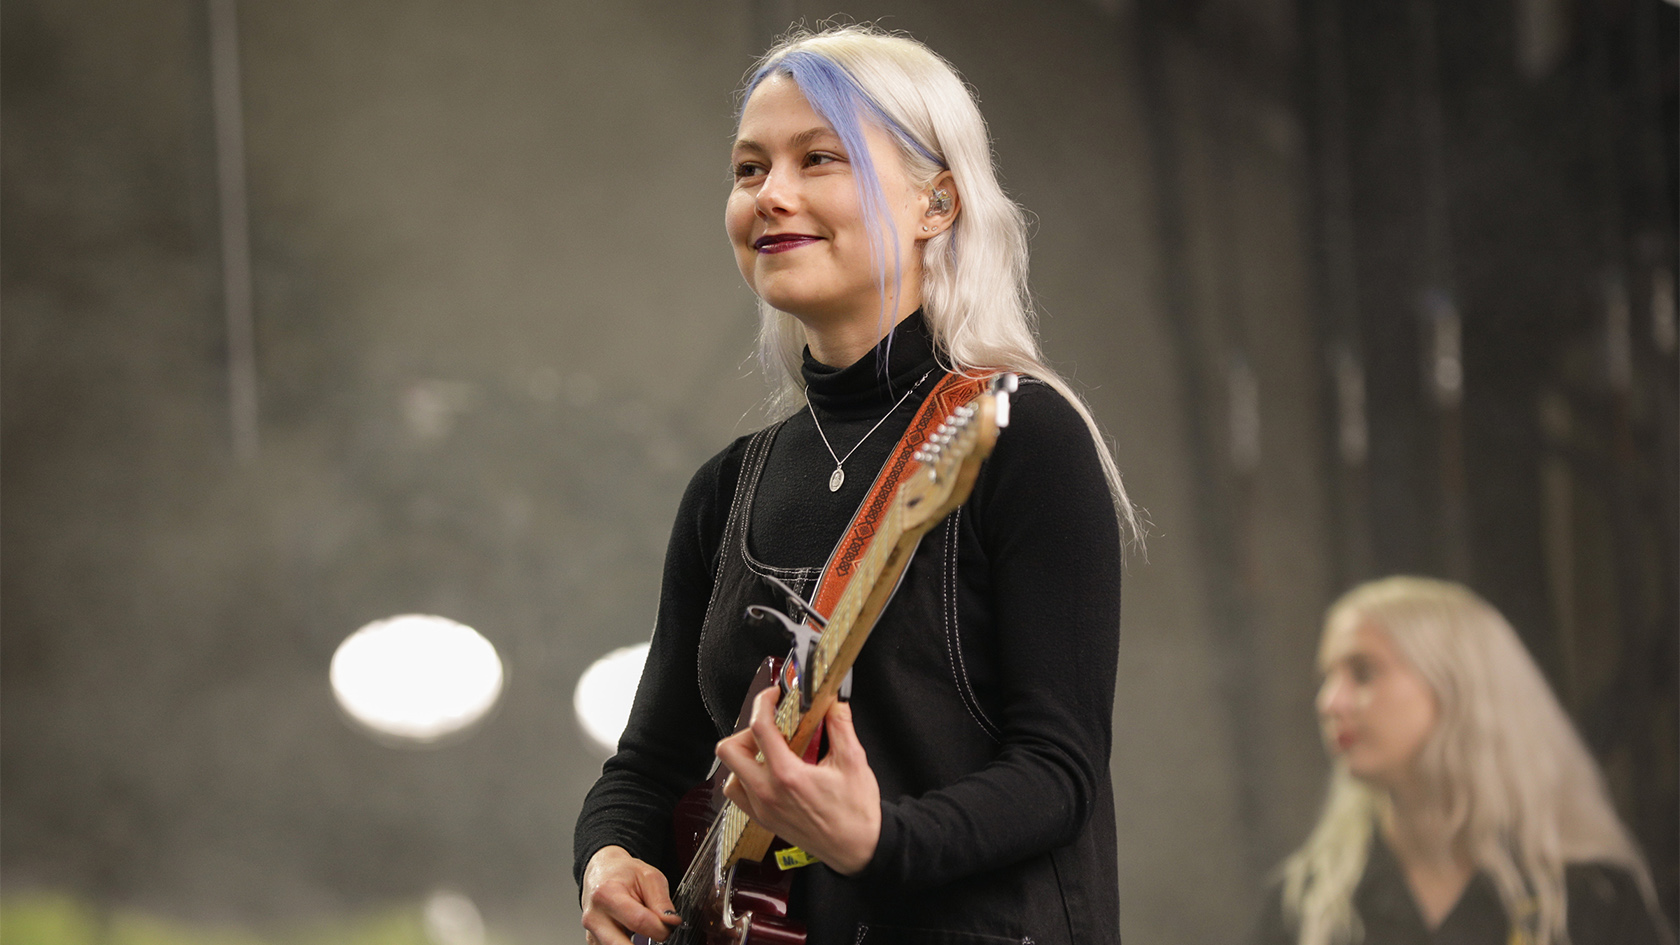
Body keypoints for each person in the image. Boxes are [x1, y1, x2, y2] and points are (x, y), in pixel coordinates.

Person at [572, 24, 1137, 945]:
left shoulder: (1021, 437)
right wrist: (608, 855)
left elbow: (1058, 771)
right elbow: (646, 767)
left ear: (937, 203)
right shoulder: (725, 490)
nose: (772, 193)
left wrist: (879, 840)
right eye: (749, 168)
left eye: (818, 158)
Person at [1256, 576, 1674, 945]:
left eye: (1363, 673)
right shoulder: (1306, 907)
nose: (1330, 703)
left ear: (1458, 686)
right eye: (1326, 679)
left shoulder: (1591, 900)